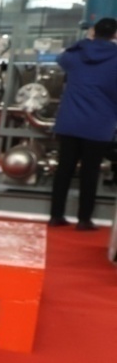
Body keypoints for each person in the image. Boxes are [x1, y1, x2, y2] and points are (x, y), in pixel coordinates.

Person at [49, 17, 117, 231]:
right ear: (115, 35)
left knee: (64, 170)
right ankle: (84, 220)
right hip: (99, 124)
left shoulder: (76, 55)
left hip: (70, 121)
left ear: (93, 32)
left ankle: (56, 216)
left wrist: (85, 41)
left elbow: (60, 58)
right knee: (90, 172)